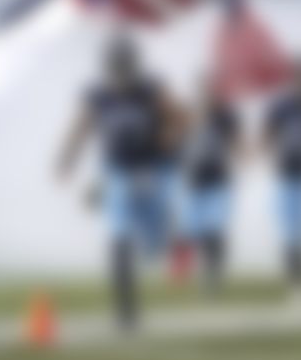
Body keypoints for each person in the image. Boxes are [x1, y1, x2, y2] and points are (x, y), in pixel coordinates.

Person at [56, 36, 184, 333]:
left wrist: (169, 134)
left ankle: (171, 236)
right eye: (116, 65)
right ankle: (127, 313)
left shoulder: (152, 89)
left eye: (125, 64)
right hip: (118, 172)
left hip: (154, 168)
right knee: (119, 238)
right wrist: (66, 160)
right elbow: (80, 127)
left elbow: (181, 117)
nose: (121, 71)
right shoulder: (97, 95)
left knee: (156, 243)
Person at [262, 59, 301, 307]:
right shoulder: (283, 106)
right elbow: (268, 133)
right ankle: (297, 284)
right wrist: (275, 153)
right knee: (293, 234)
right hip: (289, 175)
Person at [180, 76, 243, 294]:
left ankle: (213, 274)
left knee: (214, 229)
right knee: (197, 232)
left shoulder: (225, 116)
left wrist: (239, 157)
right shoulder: (188, 115)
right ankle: (202, 269)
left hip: (218, 180)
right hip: (194, 182)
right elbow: (177, 142)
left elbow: (236, 142)